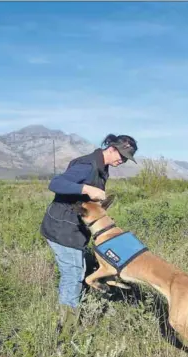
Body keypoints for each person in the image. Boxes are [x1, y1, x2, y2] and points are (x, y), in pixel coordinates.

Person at [40, 133, 138, 342]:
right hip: (62, 229)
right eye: (122, 155)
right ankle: (66, 330)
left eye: (126, 158)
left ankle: (70, 316)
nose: (122, 160)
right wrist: (87, 188)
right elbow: (56, 183)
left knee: (78, 270)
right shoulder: (87, 165)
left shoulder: (102, 168)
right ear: (111, 148)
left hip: (73, 229)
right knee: (73, 274)